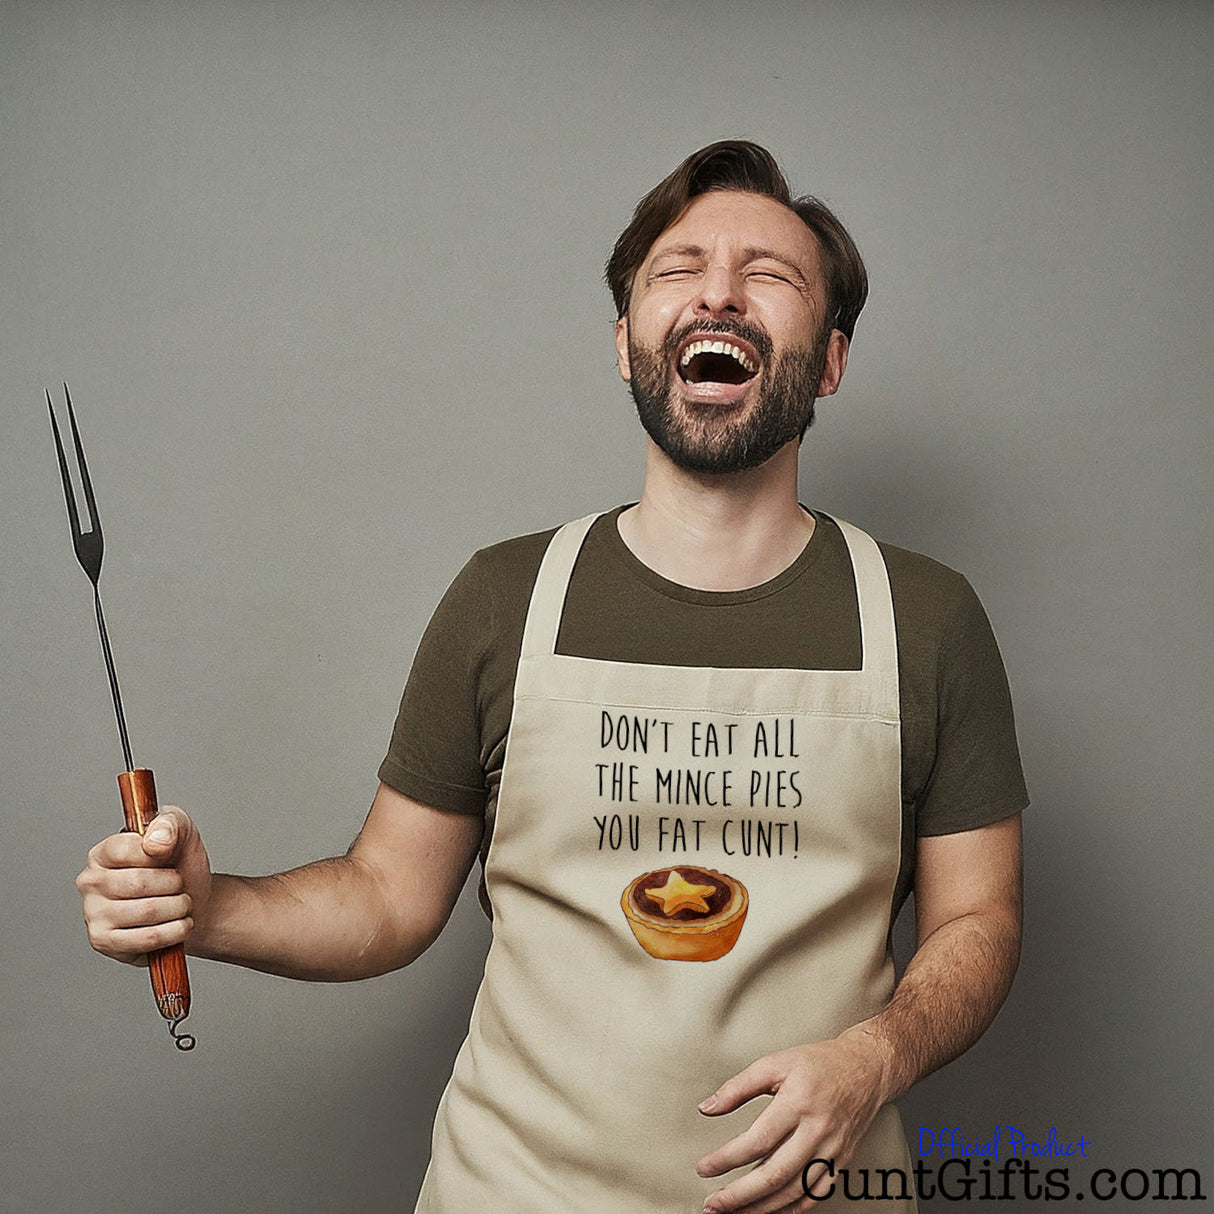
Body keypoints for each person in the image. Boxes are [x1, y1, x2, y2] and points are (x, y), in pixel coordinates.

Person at [76, 140, 1026, 1213]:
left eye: (769, 273)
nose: (717, 289)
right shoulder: (503, 597)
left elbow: (977, 920)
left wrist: (878, 1056)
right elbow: (387, 894)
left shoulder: (926, 618)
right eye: (677, 269)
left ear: (829, 359)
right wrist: (208, 908)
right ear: (626, 344)